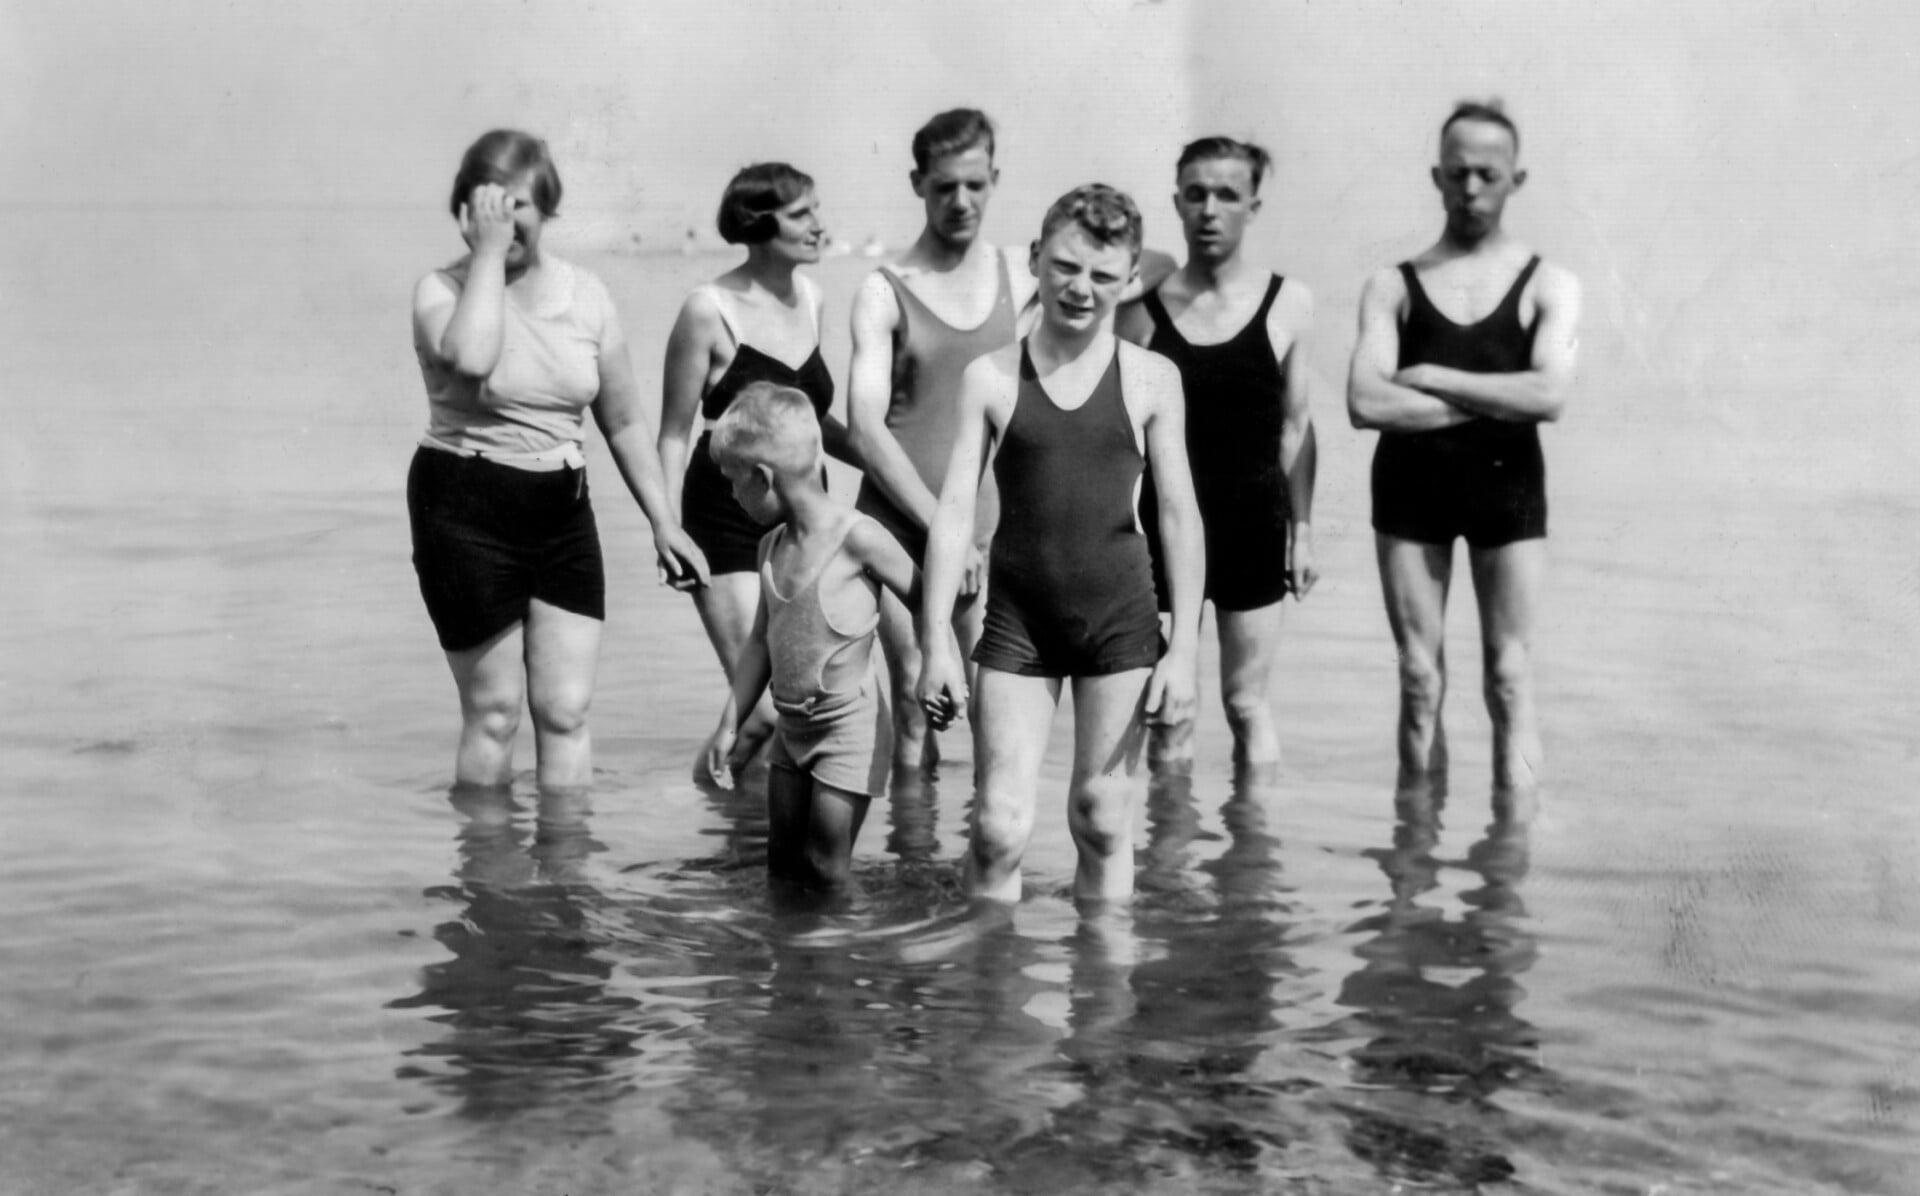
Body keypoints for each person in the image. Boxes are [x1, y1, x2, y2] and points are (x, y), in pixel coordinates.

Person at [917, 184, 1206, 906]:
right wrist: (936, 642)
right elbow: (954, 511)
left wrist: (1184, 652)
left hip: (1121, 622)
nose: (1081, 288)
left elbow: (1179, 516)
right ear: (1035, 260)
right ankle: (984, 972)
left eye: (1103, 275)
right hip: (1019, 619)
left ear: (1130, 278)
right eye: (1066, 267)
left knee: (1103, 819)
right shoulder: (990, 376)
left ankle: (1104, 975)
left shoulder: (1152, 378)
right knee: (997, 828)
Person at [407, 130, 708, 790]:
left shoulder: (587, 295)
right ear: (464, 211)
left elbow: (623, 421)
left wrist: (664, 522)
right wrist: (489, 257)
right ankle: (486, 860)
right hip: (461, 505)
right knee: (494, 714)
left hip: (560, 510)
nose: (503, 219)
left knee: (566, 712)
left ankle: (567, 858)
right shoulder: (440, 291)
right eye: (487, 204)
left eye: (517, 204)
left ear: (546, 209)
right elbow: (473, 358)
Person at [1346, 102, 1582, 792]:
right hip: (1410, 489)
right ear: (1437, 177)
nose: (1471, 188)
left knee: (1509, 676)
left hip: (1508, 490)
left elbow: (1550, 396)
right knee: (1419, 677)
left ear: (1516, 180)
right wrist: (1494, 399)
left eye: (1487, 174)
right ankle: (1415, 848)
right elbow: (1365, 404)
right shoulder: (1392, 285)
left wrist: (1432, 375)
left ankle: (1509, 852)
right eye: (1458, 174)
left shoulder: (1550, 283)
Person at [1119, 136, 1320, 772]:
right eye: (1197, 194)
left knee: (1247, 705)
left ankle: (1252, 838)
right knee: (1167, 714)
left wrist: (1302, 533)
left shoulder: (1288, 303)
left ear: (1253, 206)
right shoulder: (1140, 314)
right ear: (1177, 201)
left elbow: (1297, 428)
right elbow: (1121, 437)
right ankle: (1168, 840)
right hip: (1161, 532)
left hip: (1252, 529)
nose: (1210, 210)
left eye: (1227, 195)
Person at [847, 109, 1037, 774]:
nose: (961, 201)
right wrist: (938, 525)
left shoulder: (1025, 274)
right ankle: (912, 840)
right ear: (917, 185)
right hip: (902, 524)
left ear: (995, 180)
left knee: (995, 707)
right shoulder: (885, 289)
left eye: (975, 185)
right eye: (944, 186)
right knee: (912, 700)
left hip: (990, 528)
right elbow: (865, 426)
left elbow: (1136, 262)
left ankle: (986, 839)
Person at [658, 163, 857, 776]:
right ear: (757, 223)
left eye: (816, 209)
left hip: (805, 513)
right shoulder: (707, 310)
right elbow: (673, 432)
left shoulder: (814, 299)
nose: (819, 225)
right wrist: (666, 528)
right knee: (764, 709)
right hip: (723, 510)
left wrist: (890, 468)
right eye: (801, 214)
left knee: (800, 696)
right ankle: (702, 796)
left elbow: (811, 421)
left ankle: (738, 822)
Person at [705, 382, 919, 892]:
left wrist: (939, 664)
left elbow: (926, 598)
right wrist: (729, 725)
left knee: (826, 864)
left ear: (763, 477)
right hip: (792, 729)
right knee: (781, 861)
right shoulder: (771, 547)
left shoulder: (859, 538)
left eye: (733, 483)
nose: (731, 496)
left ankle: (855, 936)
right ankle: (793, 945)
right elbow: (759, 641)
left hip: (848, 731)